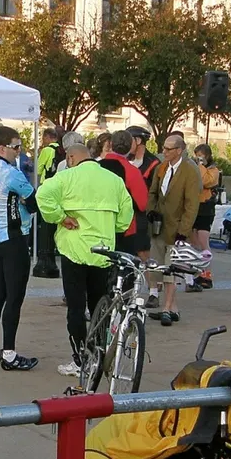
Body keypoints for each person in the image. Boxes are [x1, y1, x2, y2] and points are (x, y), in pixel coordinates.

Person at [36, 132, 134, 378]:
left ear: (70, 158)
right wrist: (112, 227)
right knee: (100, 305)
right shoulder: (113, 180)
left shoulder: (66, 177)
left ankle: (80, 359)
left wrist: (60, 217)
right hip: (103, 251)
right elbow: (126, 214)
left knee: (76, 308)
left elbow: (42, 195)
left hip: (74, 250)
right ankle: (99, 354)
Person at [0, 125, 39, 370]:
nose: (19, 151)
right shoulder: (10, 172)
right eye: (16, 147)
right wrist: (24, 201)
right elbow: (33, 202)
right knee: (14, 296)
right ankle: (10, 355)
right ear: (3, 148)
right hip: (13, 236)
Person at [151, 132, 202, 327]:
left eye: (168, 149)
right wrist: (151, 210)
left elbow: (192, 204)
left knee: (171, 269)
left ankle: (167, 308)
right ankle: (173, 308)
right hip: (159, 227)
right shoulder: (162, 167)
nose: (164, 151)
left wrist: (184, 229)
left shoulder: (190, 170)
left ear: (179, 150)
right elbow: (153, 192)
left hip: (177, 228)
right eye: (164, 148)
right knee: (160, 267)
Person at [98, 130, 151, 260]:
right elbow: (142, 204)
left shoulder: (95, 167)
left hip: (96, 224)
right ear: (130, 147)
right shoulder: (132, 172)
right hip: (124, 228)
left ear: (111, 144)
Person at [189, 143, 221, 291]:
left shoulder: (213, 170)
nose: (198, 159)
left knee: (203, 242)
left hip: (206, 209)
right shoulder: (194, 168)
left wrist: (200, 166)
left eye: (201, 156)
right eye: (197, 156)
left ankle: (207, 274)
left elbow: (205, 181)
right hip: (194, 206)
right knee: (193, 242)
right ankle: (196, 272)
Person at [32, 126, 62, 279]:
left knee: (44, 225)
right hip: (59, 191)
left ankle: (44, 261)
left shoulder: (46, 150)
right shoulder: (61, 150)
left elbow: (37, 170)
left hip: (46, 188)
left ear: (48, 137)